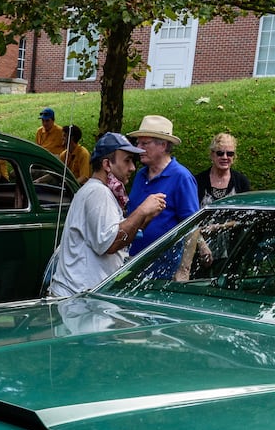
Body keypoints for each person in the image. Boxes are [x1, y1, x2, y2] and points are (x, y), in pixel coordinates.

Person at [46, 132, 165, 298]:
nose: (132, 168)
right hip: (77, 301)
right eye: (127, 160)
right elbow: (110, 243)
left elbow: (121, 237)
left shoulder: (100, 191)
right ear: (107, 164)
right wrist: (142, 210)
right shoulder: (98, 192)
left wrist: (145, 219)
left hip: (82, 298)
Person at [124, 114, 198, 256]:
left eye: (144, 144)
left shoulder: (181, 177)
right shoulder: (140, 175)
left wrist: (184, 269)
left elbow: (192, 227)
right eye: (138, 143)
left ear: (163, 145)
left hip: (164, 266)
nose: (138, 148)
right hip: (133, 261)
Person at [195, 132, 251, 205]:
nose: (225, 157)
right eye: (220, 153)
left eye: (229, 154)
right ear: (212, 155)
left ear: (234, 156)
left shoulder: (242, 182)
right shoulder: (198, 181)